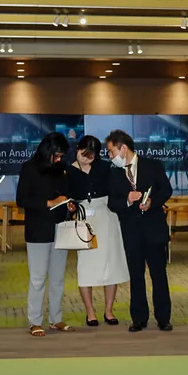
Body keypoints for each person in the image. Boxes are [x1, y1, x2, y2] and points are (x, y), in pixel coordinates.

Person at [106, 129, 174, 332]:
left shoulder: (153, 165)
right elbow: (112, 202)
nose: (109, 156)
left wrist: (152, 202)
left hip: (154, 229)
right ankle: (139, 318)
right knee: (136, 276)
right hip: (131, 231)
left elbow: (166, 189)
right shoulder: (114, 172)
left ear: (123, 148)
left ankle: (163, 318)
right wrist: (127, 200)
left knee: (159, 274)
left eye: (111, 151)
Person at [16, 132, 76, 337]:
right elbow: (21, 200)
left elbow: (67, 194)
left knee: (58, 278)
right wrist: (48, 203)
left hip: (60, 228)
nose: (59, 159)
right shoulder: (29, 168)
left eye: (61, 155)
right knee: (38, 278)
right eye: (56, 155)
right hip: (37, 230)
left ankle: (56, 319)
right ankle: (35, 321)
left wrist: (68, 205)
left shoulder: (62, 170)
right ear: (47, 150)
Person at [69, 135, 129, 327]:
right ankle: (90, 312)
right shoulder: (68, 170)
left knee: (110, 264)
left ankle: (109, 310)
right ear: (77, 149)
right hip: (83, 218)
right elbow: (63, 195)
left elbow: (119, 187)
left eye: (91, 156)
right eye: (83, 154)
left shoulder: (106, 167)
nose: (86, 159)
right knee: (85, 266)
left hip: (106, 215)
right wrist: (69, 208)